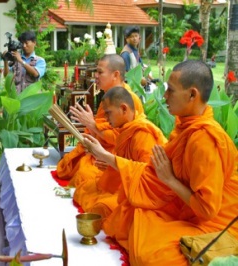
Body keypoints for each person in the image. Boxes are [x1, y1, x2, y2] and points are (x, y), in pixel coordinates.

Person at [83, 60, 238, 265]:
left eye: (170, 91)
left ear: (192, 95)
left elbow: (207, 209)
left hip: (214, 223)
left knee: (149, 254)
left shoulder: (204, 139)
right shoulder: (186, 127)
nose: (165, 96)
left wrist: (170, 180)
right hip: (184, 208)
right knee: (132, 214)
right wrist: (106, 157)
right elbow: (151, 173)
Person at [74, 87, 166, 217]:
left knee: (103, 207)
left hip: (146, 196)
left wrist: (104, 154)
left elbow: (149, 177)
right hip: (127, 185)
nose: (105, 118)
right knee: (84, 187)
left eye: (108, 113)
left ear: (124, 109)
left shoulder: (142, 134)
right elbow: (129, 163)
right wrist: (112, 166)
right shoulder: (126, 129)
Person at [56, 54, 144, 189]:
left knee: (85, 177)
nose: (95, 75)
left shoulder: (128, 100)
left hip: (116, 156)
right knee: (68, 165)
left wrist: (92, 124)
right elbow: (104, 126)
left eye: (100, 72)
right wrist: (91, 133)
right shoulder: (110, 96)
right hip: (100, 148)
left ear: (115, 75)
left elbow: (120, 138)